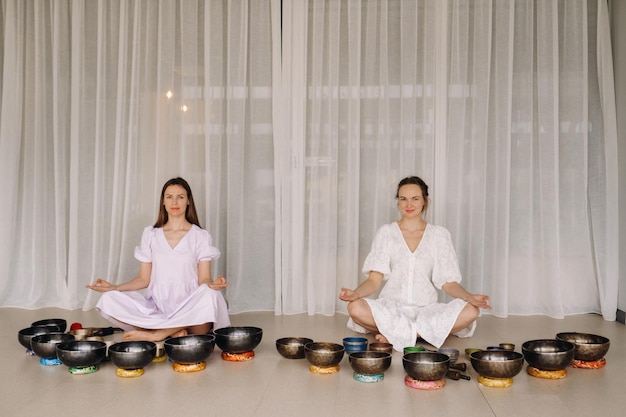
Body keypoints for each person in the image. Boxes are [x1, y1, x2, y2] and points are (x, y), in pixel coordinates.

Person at [339, 176, 491, 350]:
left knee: (471, 311)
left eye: (415, 199)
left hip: (426, 310)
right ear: (398, 202)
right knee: (355, 308)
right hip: (391, 309)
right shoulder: (386, 233)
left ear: (425, 201)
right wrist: (355, 294)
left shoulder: (439, 235)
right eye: (403, 199)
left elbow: (448, 283)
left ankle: (398, 334)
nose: (409, 204)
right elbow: (374, 280)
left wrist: (469, 297)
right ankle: (422, 334)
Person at [87, 177, 230, 341]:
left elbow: (203, 279)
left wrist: (212, 285)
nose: (174, 201)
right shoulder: (151, 234)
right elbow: (143, 279)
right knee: (109, 298)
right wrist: (115, 287)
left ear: (188, 201)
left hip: (191, 310)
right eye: (169, 196)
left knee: (211, 295)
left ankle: (158, 333)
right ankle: (173, 330)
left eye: (180, 197)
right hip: (159, 308)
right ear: (163, 201)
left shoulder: (200, 236)